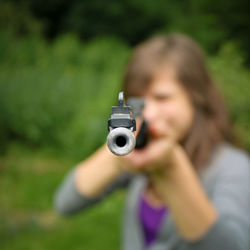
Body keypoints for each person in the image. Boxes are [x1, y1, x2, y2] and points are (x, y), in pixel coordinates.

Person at [54, 34, 250, 250]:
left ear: (196, 97)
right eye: (138, 102)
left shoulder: (232, 166)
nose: (149, 113)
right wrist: (120, 149)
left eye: (162, 98)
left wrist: (172, 167)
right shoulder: (140, 157)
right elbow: (66, 202)